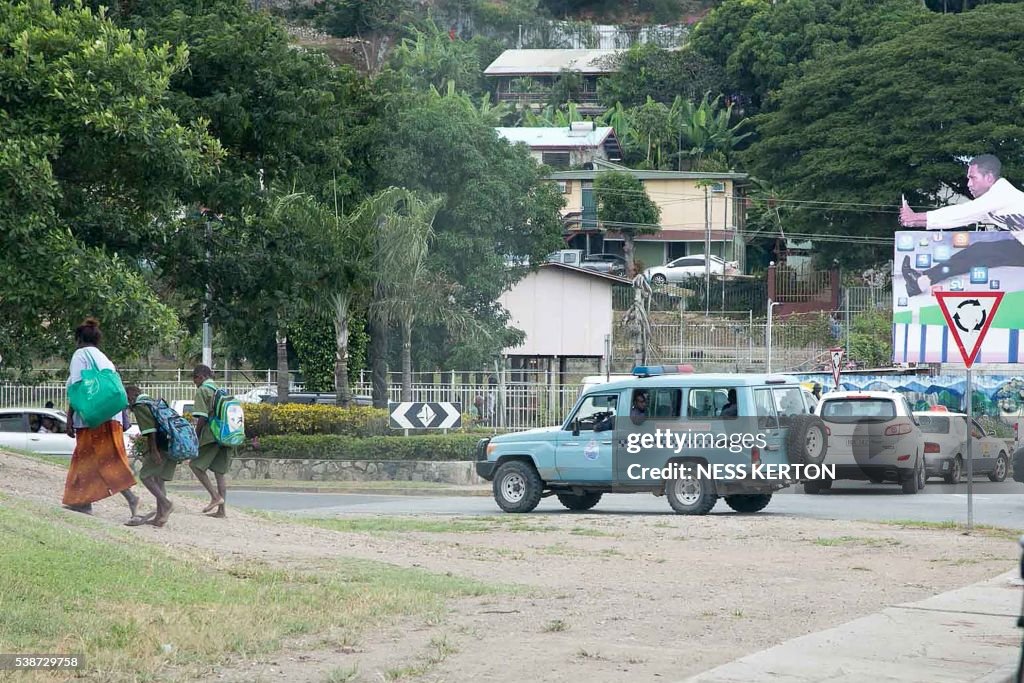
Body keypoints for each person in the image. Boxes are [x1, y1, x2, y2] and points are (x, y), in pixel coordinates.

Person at [899, 154, 1024, 296]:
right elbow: (958, 219)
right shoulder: (990, 205)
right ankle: (921, 281)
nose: (969, 184)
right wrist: (916, 222)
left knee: (985, 250)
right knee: (979, 250)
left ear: (989, 178)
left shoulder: (1002, 193)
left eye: (973, 178)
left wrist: (916, 217)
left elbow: (963, 211)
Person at [62, 318, 144, 523]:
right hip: (111, 417)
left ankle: (132, 499)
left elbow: (78, 389)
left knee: (105, 460)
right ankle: (81, 501)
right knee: (85, 458)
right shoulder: (104, 359)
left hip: (94, 420)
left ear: (79, 339)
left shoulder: (80, 355)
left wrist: (70, 417)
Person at [126, 385, 176, 527]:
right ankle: (160, 516)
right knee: (158, 479)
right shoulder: (151, 401)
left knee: (145, 476)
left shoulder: (139, 405)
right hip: (169, 443)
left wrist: (153, 450)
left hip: (159, 445)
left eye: (127, 400)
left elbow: (150, 430)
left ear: (131, 397)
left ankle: (166, 504)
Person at [189, 364, 231, 518]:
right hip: (225, 436)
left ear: (200, 377)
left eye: (195, 379)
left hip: (211, 435)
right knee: (220, 473)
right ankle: (222, 511)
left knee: (195, 465)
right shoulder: (220, 390)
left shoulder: (203, 390)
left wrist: (196, 437)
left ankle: (214, 497)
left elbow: (202, 417)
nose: (195, 383)